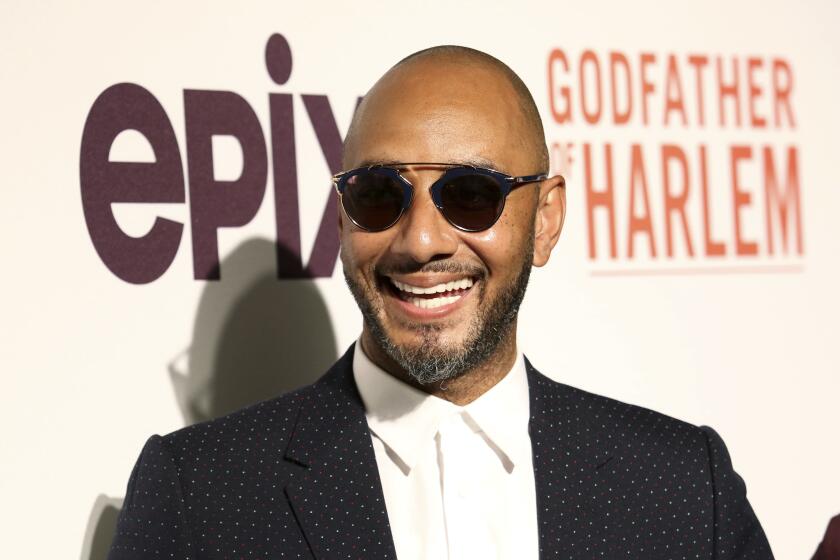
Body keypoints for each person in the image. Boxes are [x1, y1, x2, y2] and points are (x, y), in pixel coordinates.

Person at [107, 46, 774, 559]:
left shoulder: (684, 489)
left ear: (545, 220)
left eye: (471, 195)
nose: (420, 241)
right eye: (378, 195)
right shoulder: (198, 496)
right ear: (341, 221)